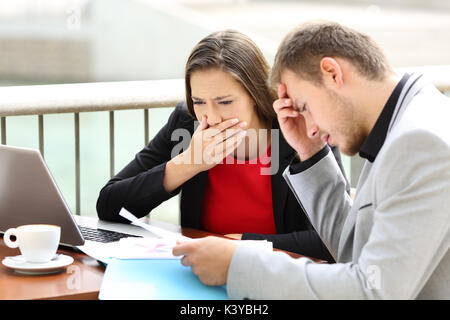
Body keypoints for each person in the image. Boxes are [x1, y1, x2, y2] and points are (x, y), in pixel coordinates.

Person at [173, 21, 450, 299]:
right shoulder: (404, 121)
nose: (311, 125)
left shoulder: (420, 142)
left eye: (303, 106)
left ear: (332, 73)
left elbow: (374, 290)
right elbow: (349, 249)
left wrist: (239, 265)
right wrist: (310, 153)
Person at [96, 29, 349, 261]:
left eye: (225, 102)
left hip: (280, 279)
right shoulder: (188, 123)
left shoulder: (299, 128)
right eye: (199, 101)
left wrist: (243, 245)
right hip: (202, 278)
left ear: (255, 93)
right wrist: (187, 163)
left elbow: (337, 238)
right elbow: (108, 205)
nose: (212, 117)